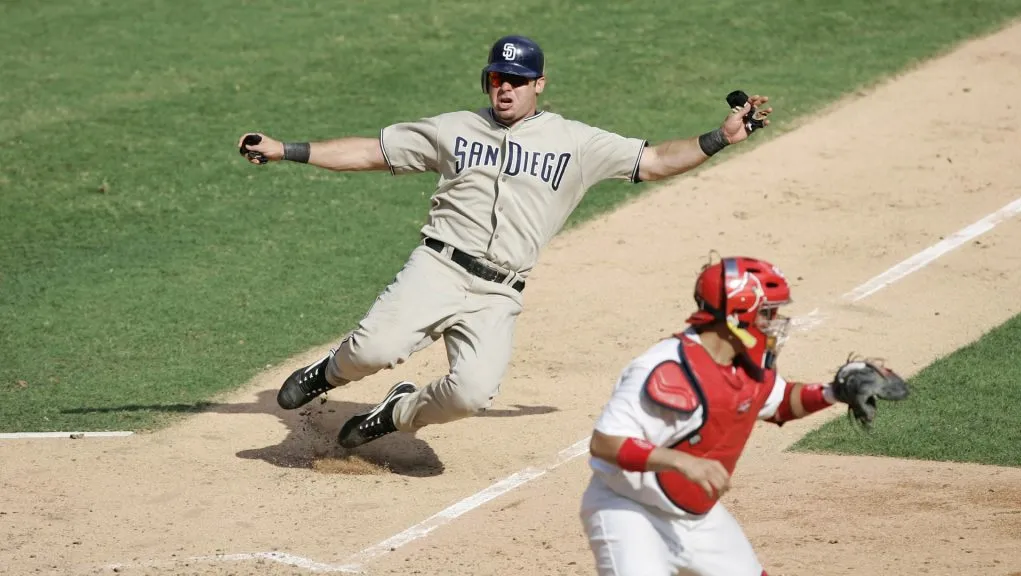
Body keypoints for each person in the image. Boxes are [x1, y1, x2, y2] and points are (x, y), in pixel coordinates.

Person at [236, 35, 773, 450]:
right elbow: (373, 151)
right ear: (486, 80)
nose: (505, 88)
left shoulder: (576, 142)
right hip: (439, 267)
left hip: (499, 292)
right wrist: (288, 149)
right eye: (497, 77)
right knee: (371, 350)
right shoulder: (455, 128)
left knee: (470, 395)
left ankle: (397, 412)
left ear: (540, 83)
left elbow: (653, 162)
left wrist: (720, 138)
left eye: (517, 79)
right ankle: (325, 373)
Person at [580, 255, 876, 576]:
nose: (774, 322)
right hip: (629, 511)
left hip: (698, 519)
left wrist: (833, 392)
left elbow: (780, 402)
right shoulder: (666, 368)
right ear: (737, 315)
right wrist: (681, 461)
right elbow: (605, 443)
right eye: (767, 313)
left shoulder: (745, 366)